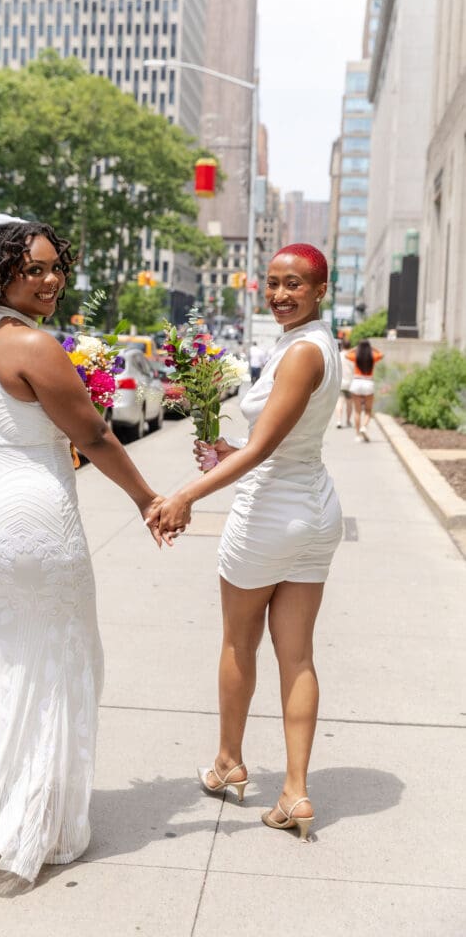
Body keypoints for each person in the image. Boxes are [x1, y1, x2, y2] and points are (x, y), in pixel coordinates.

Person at [0, 215, 165, 891]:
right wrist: (147, 499)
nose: (49, 280)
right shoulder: (32, 345)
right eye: (32, 269)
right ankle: (23, 821)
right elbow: (98, 437)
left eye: (54, 267)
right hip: (24, 513)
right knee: (49, 657)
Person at [148, 243, 343, 842]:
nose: (281, 294)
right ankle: (296, 793)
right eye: (273, 283)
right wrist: (232, 454)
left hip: (268, 516)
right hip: (312, 511)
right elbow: (272, 443)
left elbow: (262, 450)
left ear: (320, 290)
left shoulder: (302, 352)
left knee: (239, 642)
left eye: (295, 285)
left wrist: (186, 495)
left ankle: (230, 763)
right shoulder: (316, 347)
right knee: (298, 655)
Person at [346, 339, 383, 442]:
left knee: (357, 411)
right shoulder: (372, 357)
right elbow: (381, 354)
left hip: (356, 382)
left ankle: (357, 435)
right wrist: (372, 348)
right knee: (368, 410)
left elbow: (347, 355)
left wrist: (355, 348)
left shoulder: (356, 356)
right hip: (368, 383)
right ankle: (364, 426)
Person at [336, 337, 354, 428]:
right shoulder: (352, 356)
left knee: (340, 402)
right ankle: (348, 421)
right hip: (350, 383)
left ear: (342, 345)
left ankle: (339, 421)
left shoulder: (338, 355)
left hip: (340, 383)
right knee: (349, 403)